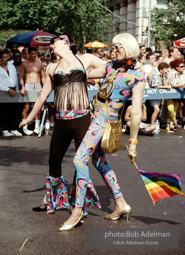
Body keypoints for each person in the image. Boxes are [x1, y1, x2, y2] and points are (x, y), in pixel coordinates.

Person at [57, 33, 145, 231]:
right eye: (112, 48)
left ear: (128, 48)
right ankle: (121, 203)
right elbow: (84, 70)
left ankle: (77, 210)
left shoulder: (137, 75)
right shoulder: (110, 67)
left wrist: (133, 143)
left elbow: (137, 111)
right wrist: (64, 60)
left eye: (117, 48)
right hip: (92, 118)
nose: (112, 51)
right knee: (99, 162)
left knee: (79, 160)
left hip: (104, 122)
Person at [19, 35, 106, 215]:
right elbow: (42, 96)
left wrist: (129, 66)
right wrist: (29, 118)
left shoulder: (85, 60)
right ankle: (52, 199)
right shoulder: (51, 67)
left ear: (66, 43)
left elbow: (108, 68)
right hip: (61, 121)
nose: (51, 45)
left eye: (54, 42)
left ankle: (78, 202)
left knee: (81, 162)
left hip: (82, 119)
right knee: (54, 160)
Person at [19, 46, 46, 135]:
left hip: (37, 85)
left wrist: (43, 87)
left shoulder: (40, 64)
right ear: (29, 54)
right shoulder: (24, 64)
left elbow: (43, 77)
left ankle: (37, 127)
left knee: (37, 107)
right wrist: (22, 87)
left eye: (36, 53)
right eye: (33, 53)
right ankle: (25, 127)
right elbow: (21, 76)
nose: (34, 55)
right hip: (28, 85)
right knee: (26, 107)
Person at [0, 50, 22, 136]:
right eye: (4, 57)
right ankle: (5, 129)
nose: (6, 59)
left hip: (13, 89)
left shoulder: (11, 66)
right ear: (0, 59)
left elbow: (15, 79)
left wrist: (16, 89)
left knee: (15, 110)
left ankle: (14, 128)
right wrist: (8, 90)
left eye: (7, 57)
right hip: (3, 90)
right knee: (4, 111)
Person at [167, 59, 185, 130]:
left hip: (179, 94)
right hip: (170, 93)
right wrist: (181, 85)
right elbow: (172, 84)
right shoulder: (171, 73)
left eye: (184, 66)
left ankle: (172, 124)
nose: (183, 67)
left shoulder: (184, 73)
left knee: (175, 110)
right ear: (176, 67)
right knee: (170, 108)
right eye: (181, 66)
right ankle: (175, 120)